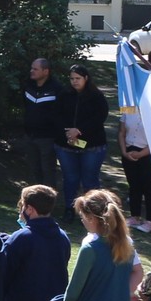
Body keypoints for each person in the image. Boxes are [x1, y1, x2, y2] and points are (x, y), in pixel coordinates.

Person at [56, 64, 109, 213]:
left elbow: (99, 118)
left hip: (92, 145)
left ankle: (94, 211)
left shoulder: (96, 97)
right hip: (66, 144)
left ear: (86, 78)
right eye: (72, 78)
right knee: (70, 179)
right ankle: (69, 209)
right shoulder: (64, 95)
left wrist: (79, 130)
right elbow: (57, 116)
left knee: (89, 180)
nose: (75, 82)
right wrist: (68, 132)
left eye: (78, 78)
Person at [20, 58, 69, 190]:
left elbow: (63, 113)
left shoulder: (57, 89)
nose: (31, 71)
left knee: (48, 171)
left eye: (35, 69)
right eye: (31, 68)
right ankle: (34, 199)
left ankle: (47, 203)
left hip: (47, 138)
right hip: (30, 136)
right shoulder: (28, 86)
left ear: (45, 71)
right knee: (33, 169)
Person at [119, 93, 151, 232]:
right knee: (134, 185)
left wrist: (140, 154)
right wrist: (125, 151)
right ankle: (135, 216)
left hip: (147, 153)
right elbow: (121, 132)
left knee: (149, 187)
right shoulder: (129, 107)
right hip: (129, 151)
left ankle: (150, 220)